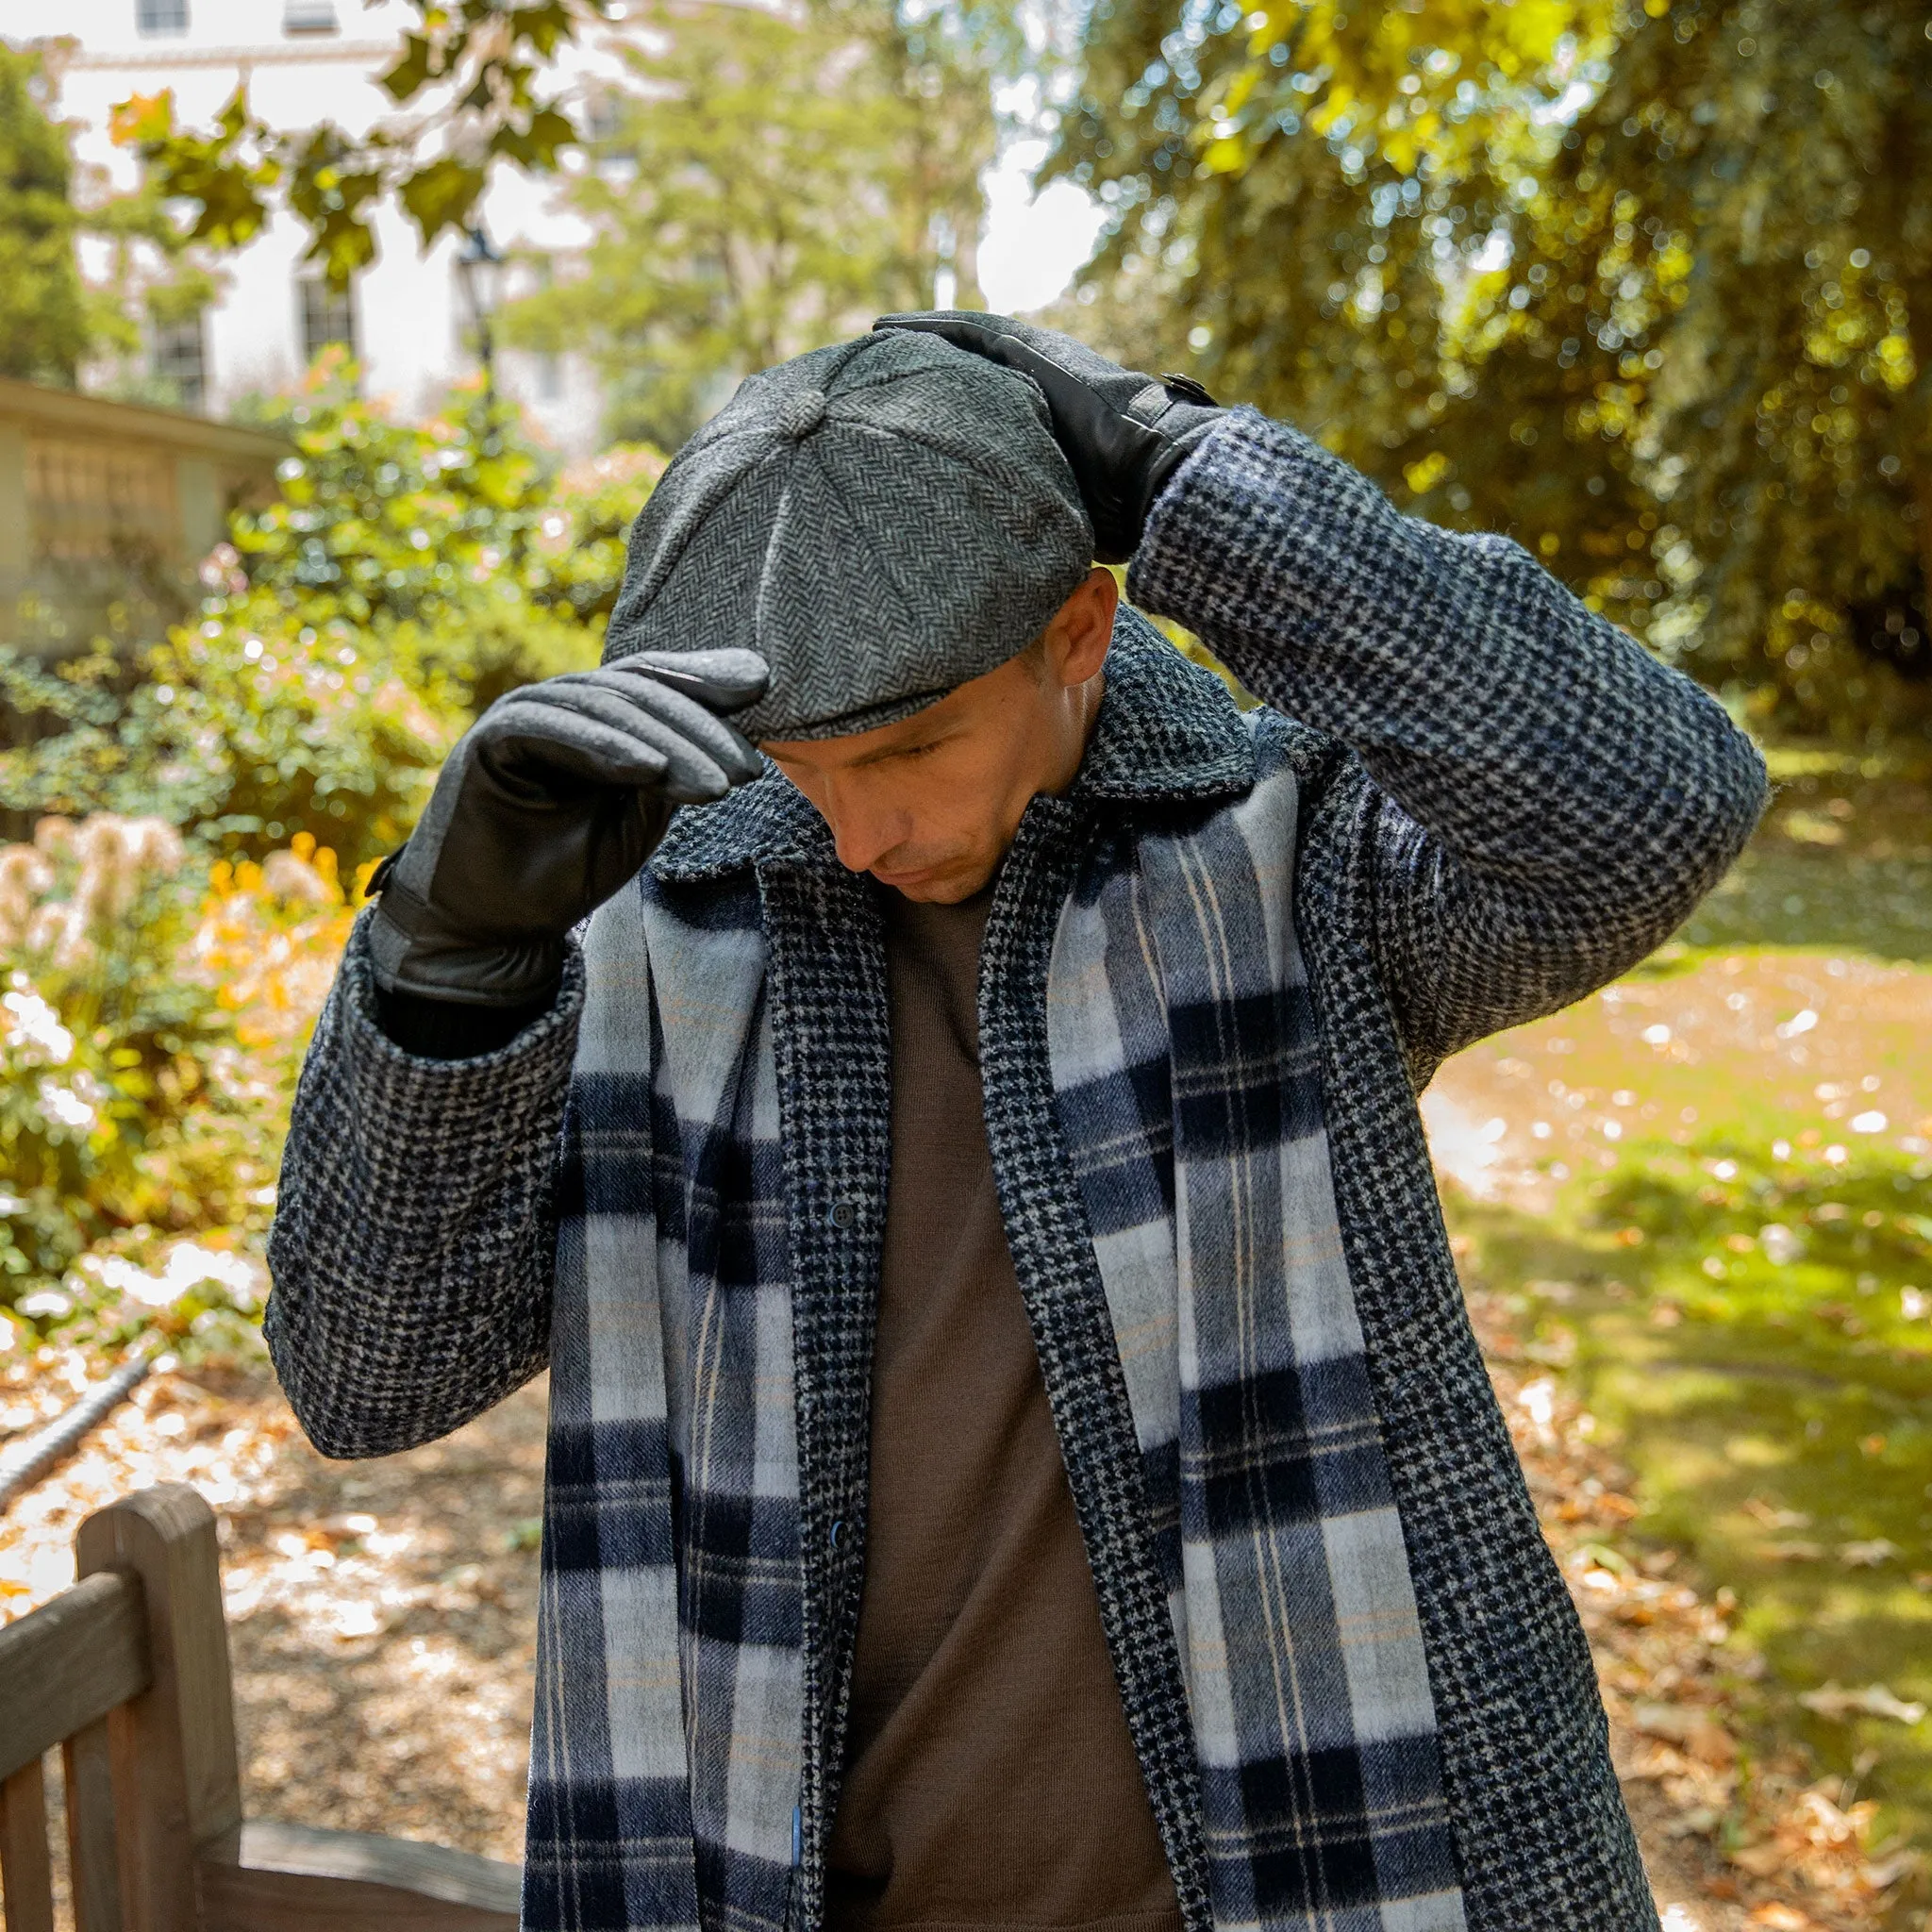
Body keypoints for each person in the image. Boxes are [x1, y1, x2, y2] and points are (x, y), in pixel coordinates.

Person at [264, 314, 1767, 1932]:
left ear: (1080, 630)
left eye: (912, 747)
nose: (856, 831)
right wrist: (444, 962)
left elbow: (1649, 807)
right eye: (803, 763)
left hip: (1342, 1864)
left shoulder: (1288, 856)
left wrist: (1187, 469)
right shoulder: (648, 933)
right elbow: (366, 1376)